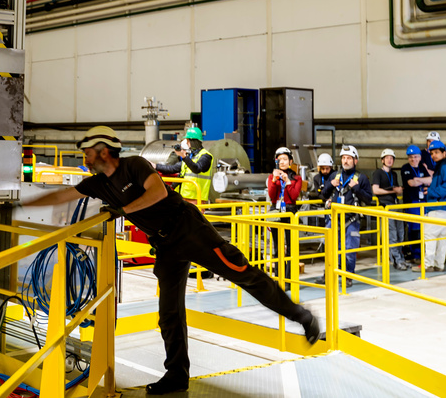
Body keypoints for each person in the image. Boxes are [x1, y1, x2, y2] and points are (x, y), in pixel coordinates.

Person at [23, 126, 319, 394]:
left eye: (88, 152)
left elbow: (158, 191)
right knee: (169, 312)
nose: (85, 158)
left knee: (243, 272)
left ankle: (300, 316)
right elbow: (62, 196)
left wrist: (124, 210)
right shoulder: (98, 184)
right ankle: (177, 374)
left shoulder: (134, 166)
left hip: (189, 229)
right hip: (165, 245)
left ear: (102, 151)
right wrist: (20, 202)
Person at [316, 145, 372, 282]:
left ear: (355, 161)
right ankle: (328, 274)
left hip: (351, 219)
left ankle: (348, 276)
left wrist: (356, 188)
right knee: (330, 248)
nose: (345, 161)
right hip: (334, 219)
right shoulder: (335, 176)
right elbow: (323, 195)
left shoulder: (361, 178)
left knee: (349, 250)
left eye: (349, 158)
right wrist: (331, 185)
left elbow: (368, 199)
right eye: (343, 158)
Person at [410, 140, 446, 271]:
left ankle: (427, 265)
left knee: (429, 234)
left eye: (437, 152)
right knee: (441, 236)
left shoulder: (445, 167)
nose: (434, 155)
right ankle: (438, 264)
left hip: (440, 206)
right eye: (432, 153)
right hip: (445, 207)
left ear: (444, 153)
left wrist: (431, 191)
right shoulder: (444, 166)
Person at [154, 127, 213, 205]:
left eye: (188, 141)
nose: (187, 143)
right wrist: (155, 166)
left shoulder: (205, 156)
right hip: (183, 197)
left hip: (197, 199)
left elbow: (196, 169)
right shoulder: (191, 157)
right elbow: (172, 169)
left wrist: (184, 157)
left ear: (193, 141)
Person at [267, 146, 302, 275]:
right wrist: (274, 179)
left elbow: (293, 196)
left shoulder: (296, 178)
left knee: (290, 247)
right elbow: (272, 195)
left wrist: (287, 181)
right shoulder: (272, 177)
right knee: (278, 247)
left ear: (290, 161)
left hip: (290, 212)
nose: (282, 162)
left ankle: (288, 278)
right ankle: (279, 276)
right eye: (279, 159)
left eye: (285, 159)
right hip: (276, 212)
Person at [371, 149, 407, 271]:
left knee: (400, 234)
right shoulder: (378, 173)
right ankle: (396, 260)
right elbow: (375, 190)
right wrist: (393, 191)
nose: (389, 160)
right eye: (387, 158)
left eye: (391, 158)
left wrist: (398, 190)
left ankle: (401, 257)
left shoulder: (394, 174)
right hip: (386, 206)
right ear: (382, 160)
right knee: (392, 235)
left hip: (396, 205)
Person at [399, 145, 429, 262]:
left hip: (424, 203)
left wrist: (418, 180)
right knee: (414, 229)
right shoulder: (405, 168)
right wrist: (422, 181)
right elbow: (411, 183)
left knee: (424, 228)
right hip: (412, 203)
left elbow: (430, 180)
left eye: (416, 157)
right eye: (411, 157)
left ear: (420, 157)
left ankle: (424, 252)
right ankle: (416, 254)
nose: (413, 159)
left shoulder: (422, 167)